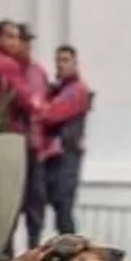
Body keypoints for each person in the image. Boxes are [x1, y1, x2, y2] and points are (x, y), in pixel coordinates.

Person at [38, 45, 94, 235]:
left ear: (75, 63)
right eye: (58, 61)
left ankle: (71, 252)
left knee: (63, 207)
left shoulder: (77, 90)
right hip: (54, 156)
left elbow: (52, 113)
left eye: (65, 60)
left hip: (66, 155)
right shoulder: (59, 89)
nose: (60, 65)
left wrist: (41, 107)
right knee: (54, 204)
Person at [16, 23, 52, 252]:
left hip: (36, 147)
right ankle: (4, 253)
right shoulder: (8, 70)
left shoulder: (38, 72)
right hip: (14, 145)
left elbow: (47, 105)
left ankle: (34, 248)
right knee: (11, 203)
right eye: (23, 41)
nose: (26, 46)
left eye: (28, 41)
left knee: (36, 201)